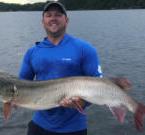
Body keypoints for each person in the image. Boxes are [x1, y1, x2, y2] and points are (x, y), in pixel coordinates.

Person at [19, 2, 102, 135]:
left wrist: (83, 102)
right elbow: (20, 85)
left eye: (58, 15)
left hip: (74, 128)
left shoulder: (84, 49)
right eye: (49, 15)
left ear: (66, 20)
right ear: (43, 21)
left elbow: (99, 85)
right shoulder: (32, 52)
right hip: (39, 125)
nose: (53, 18)